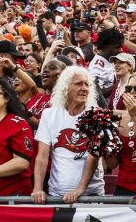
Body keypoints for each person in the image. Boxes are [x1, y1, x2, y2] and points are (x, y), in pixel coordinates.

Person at [31, 66, 103, 202]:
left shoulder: (96, 115)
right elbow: (42, 156)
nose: (84, 88)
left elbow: (93, 156)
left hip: (90, 195)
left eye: (87, 84)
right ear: (66, 87)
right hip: (56, 195)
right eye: (78, 84)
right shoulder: (49, 114)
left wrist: (80, 189)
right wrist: (38, 188)